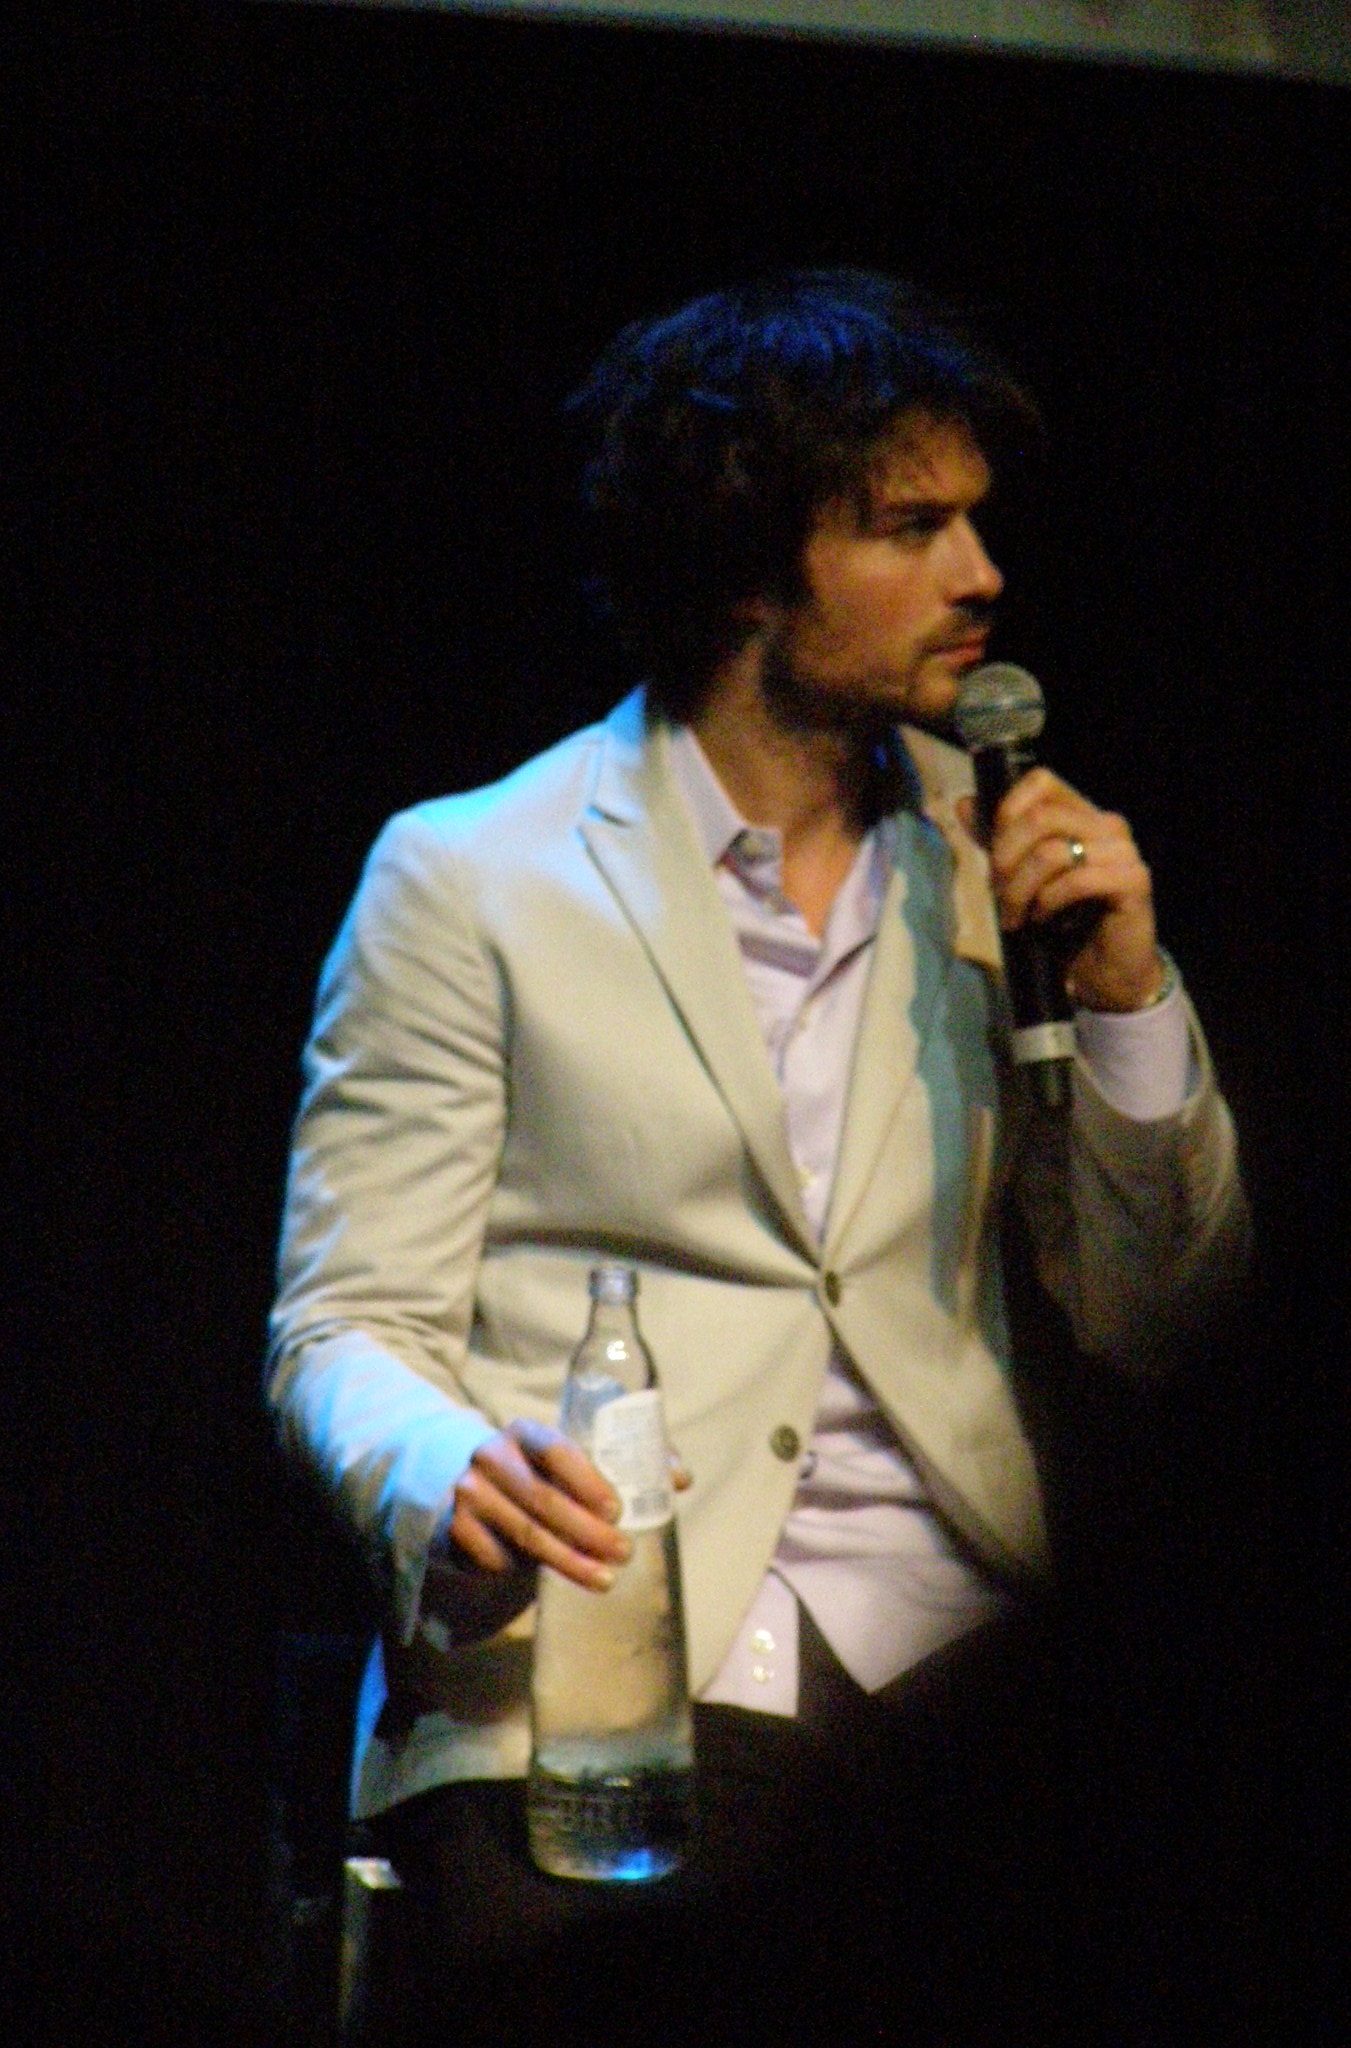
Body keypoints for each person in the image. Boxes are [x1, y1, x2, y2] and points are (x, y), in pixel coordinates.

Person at [267, 271, 1249, 2045]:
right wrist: (443, 1474)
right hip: (608, 1669)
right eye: (912, 528)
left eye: (977, 523)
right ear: (745, 566)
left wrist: (1127, 1003)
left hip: (953, 1657)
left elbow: (1163, 1319)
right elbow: (343, 1330)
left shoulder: (996, 865)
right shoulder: (471, 875)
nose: (981, 576)